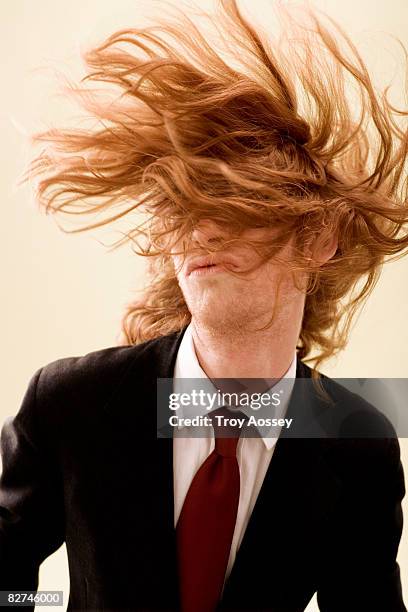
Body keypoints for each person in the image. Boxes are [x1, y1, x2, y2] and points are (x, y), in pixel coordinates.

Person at [1, 0, 407, 610]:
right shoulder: (71, 403)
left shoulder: (359, 442)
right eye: (186, 206)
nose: (202, 232)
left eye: (238, 207)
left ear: (320, 239)